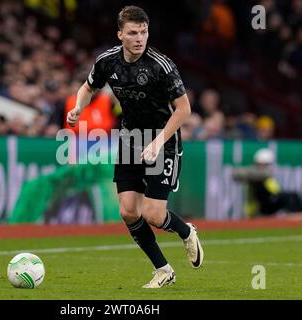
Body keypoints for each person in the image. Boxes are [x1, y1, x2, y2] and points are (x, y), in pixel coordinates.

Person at [67, 5, 203, 289]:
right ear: (120, 35)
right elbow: (88, 87)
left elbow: (184, 109)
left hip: (163, 140)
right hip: (130, 138)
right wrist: (80, 106)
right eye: (133, 33)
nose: (140, 38)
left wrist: (157, 142)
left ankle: (186, 231)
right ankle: (163, 270)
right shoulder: (107, 61)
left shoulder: (161, 65)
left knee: (153, 214)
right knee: (129, 211)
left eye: (144, 32)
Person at [232, 148, 302, 217]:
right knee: (290, 197)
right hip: (262, 206)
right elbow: (236, 175)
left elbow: (275, 190)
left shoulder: (264, 176)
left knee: (292, 196)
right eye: (265, 164)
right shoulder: (254, 174)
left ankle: (298, 217)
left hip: (272, 200)